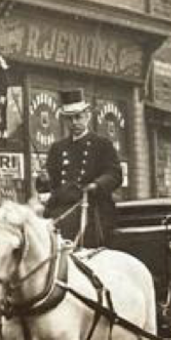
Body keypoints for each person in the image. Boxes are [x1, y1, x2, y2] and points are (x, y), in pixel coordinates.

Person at [36, 90, 122, 247]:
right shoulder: (58, 148)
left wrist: (96, 185)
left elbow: (114, 173)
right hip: (61, 210)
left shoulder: (102, 144)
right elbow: (50, 184)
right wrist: (43, 180)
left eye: (78, 117)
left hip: (91, 209)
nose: (74, 122)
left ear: (87, 115)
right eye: (69, 119)